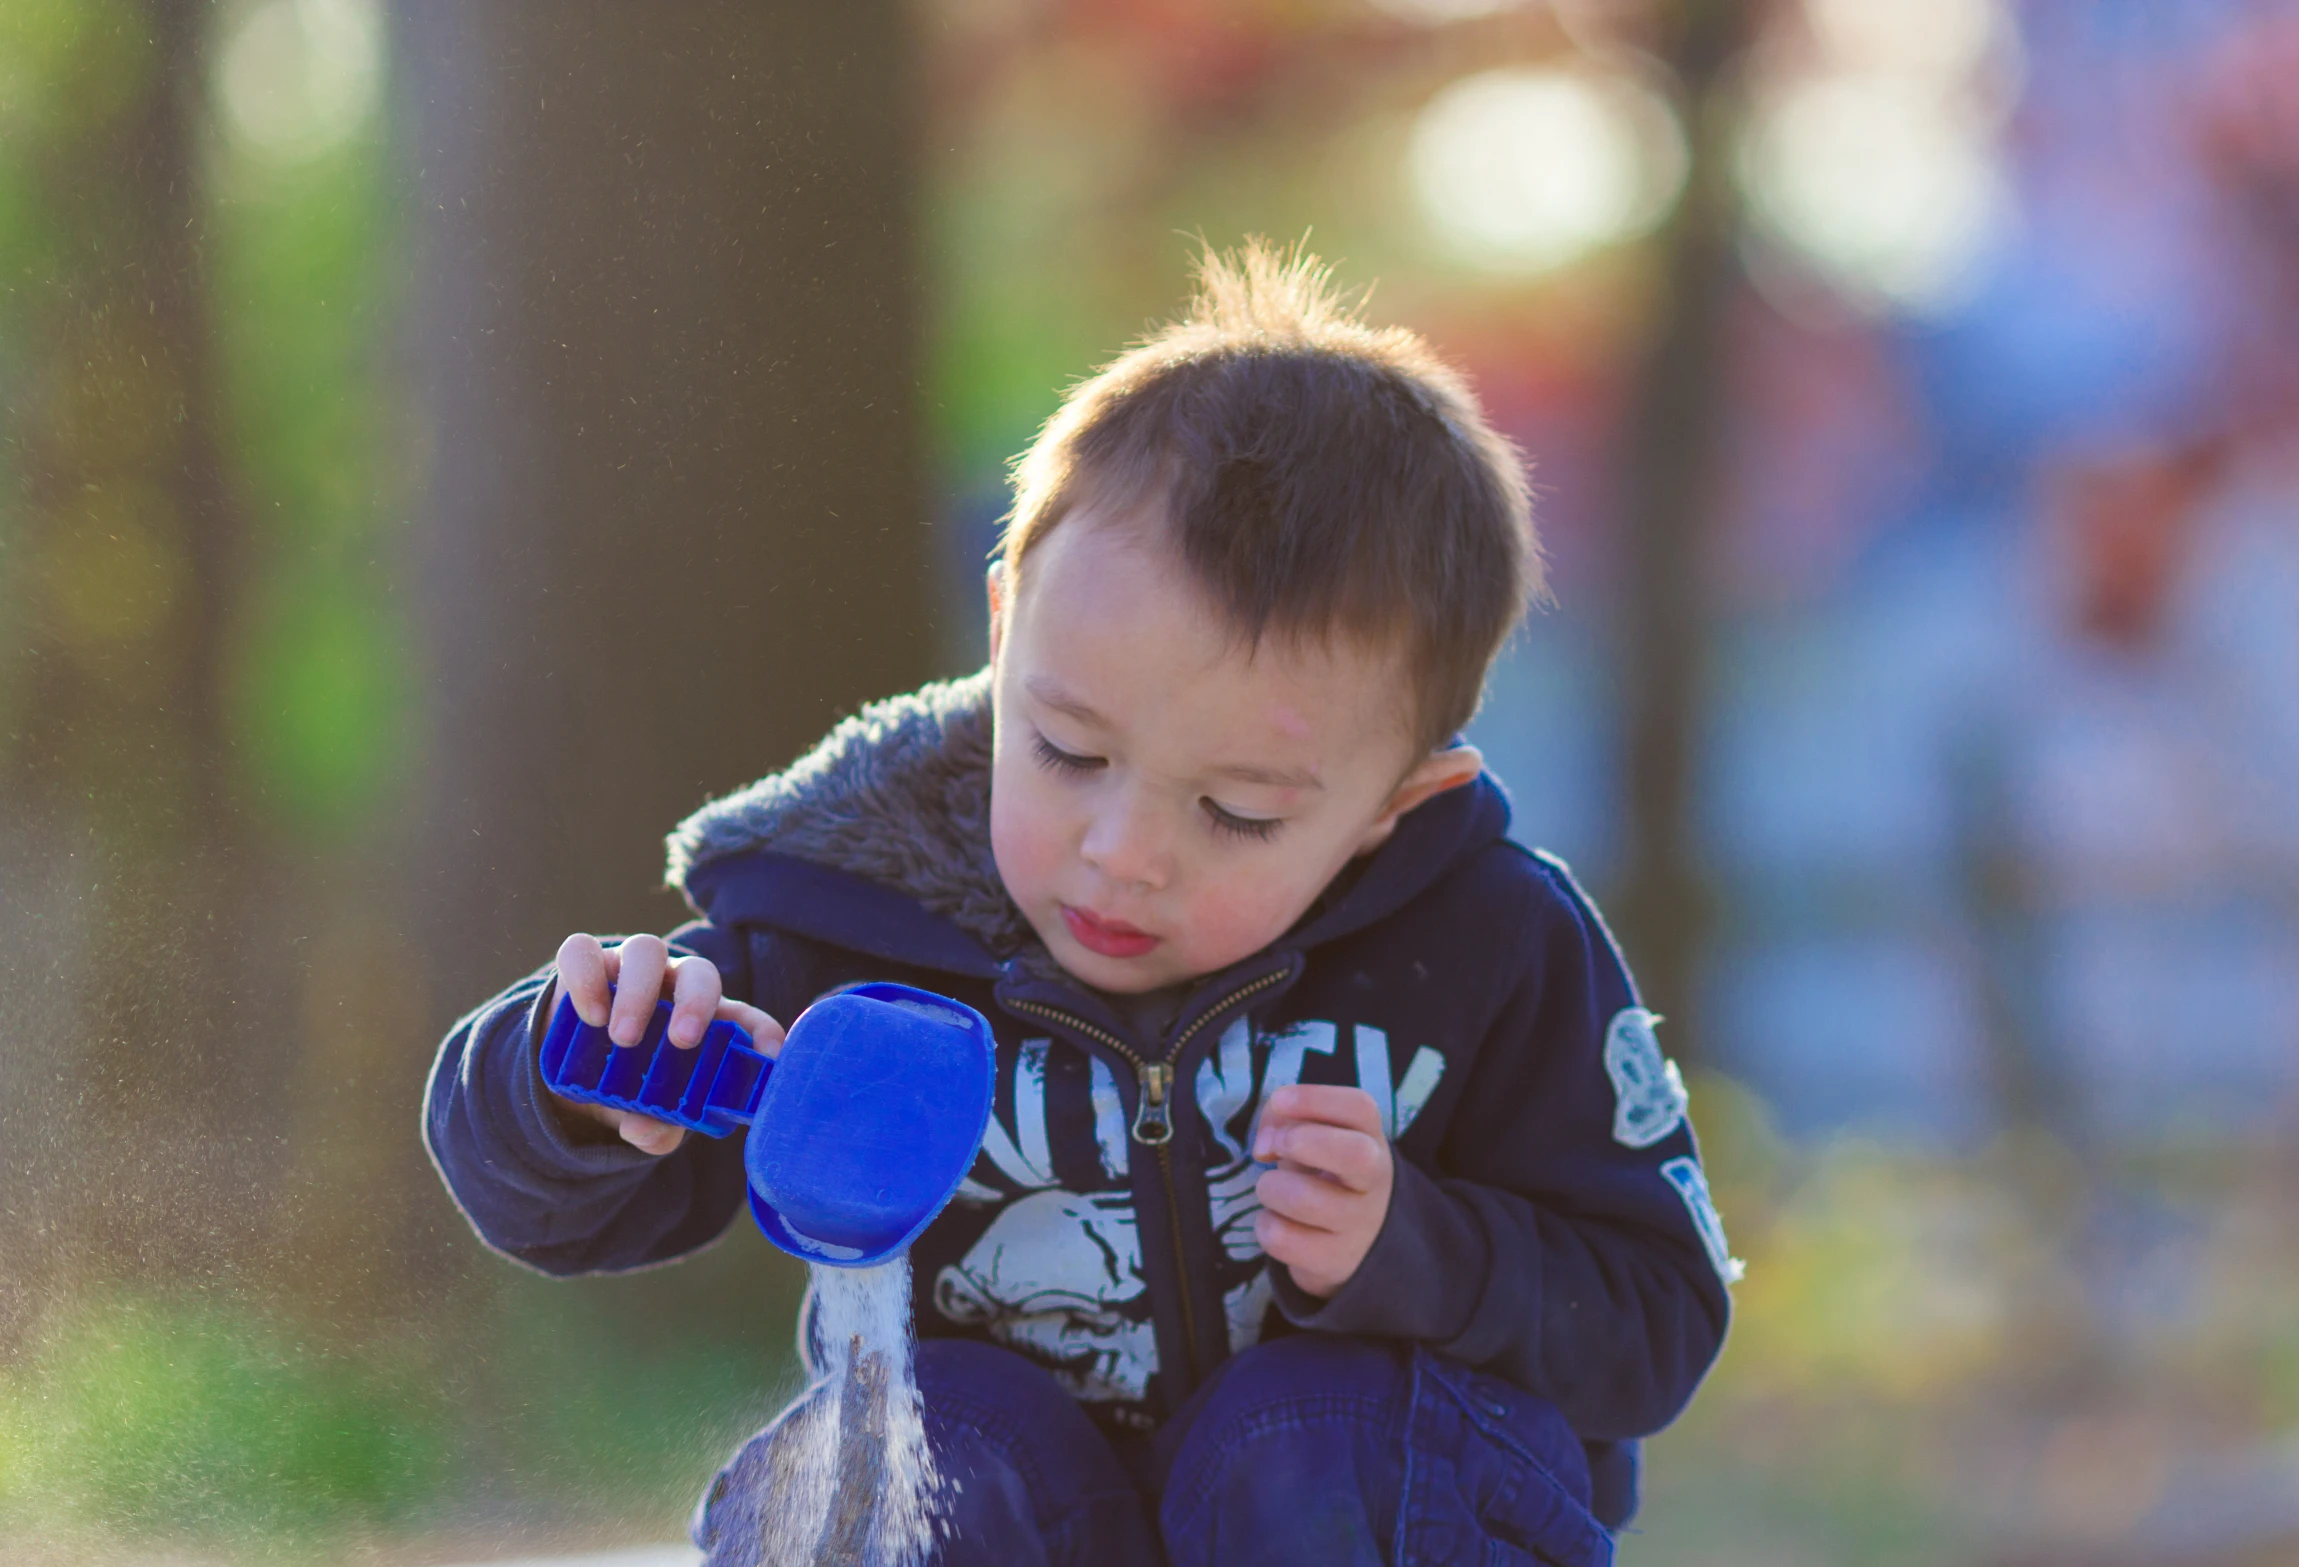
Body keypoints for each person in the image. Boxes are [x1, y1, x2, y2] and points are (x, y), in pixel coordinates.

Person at [422, 241, 1738, 1566]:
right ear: (1005, 632)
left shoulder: (1492, 949)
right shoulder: (851, 924)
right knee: (953, 1434)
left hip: (1341, 1512)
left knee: (1313, 1429)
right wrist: (580, 1085)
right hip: (1006, 1524)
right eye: (1066, 750)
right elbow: (538, 1201)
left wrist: (1419, 1245)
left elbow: (1655, 1320)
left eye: (1236, 811)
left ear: (1396, 796)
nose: (1119, 853)